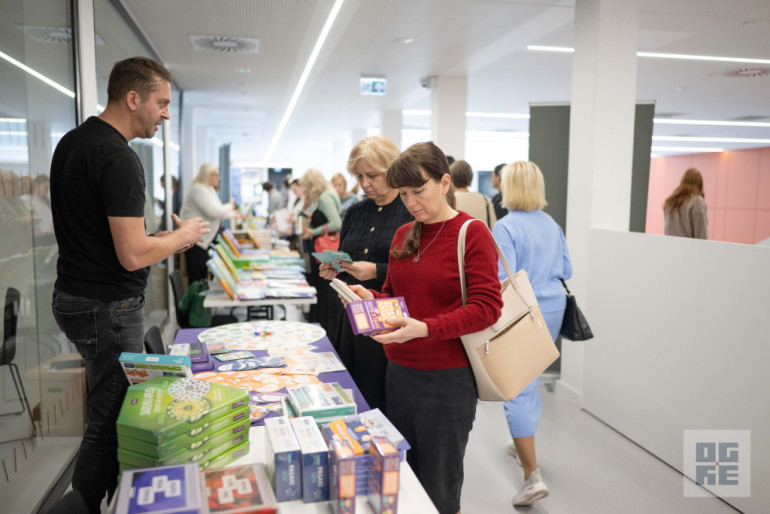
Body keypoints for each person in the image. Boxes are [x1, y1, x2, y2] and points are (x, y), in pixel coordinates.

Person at [49, 56, 210, 514]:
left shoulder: (73, 142)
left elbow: (105, 238)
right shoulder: (120, 158)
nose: (165, 113)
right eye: (161, 103)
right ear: (133, 97)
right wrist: (182, 236)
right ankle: (89, 505)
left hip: (76, 296)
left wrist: (163, 241)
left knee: (107, 405)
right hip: (107, 305)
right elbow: (132, 255)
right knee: (111, 418)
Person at [346, 142, 503, 514]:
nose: (411, 202)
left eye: (419, 191)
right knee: (403, 481)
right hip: (399, 373)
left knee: (438, 488)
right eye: (403, 194)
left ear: (445, 181)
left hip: (447, 382)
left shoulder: (471, 232)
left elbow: (487, 307)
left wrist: (425, 329)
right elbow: (392, 295)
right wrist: (365, 297)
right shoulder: (404, 235)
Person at [491, 160, 572, 507]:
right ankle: (522, 441)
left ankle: (531, 476)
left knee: (516, 389)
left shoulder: (506, 228)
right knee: (532, 378)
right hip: (553, 309)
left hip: (524, 311)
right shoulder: (552, 225)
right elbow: (567, 268)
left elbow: (502, 280)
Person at [318, 136, 411, 411]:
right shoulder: (355, 212)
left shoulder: (410, 212)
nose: (364, 183)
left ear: (392, 170)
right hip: (351, 318)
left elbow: (416, 271)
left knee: (381, 397)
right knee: (351, 393)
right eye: (358, 176)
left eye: (372, 175)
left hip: (389, 320)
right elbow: (344, 252)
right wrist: (333, 268)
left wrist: (376, 271)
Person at [180, 163, 237, 283]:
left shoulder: (209, 189)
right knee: (197, 279)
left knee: (203, 275)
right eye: (216, 175)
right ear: (207, 175)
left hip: (203, 241)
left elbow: (219, 210)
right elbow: (214, 212)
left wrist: (233, 214)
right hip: (195, 242)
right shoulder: (199, 189)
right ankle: (197, 302)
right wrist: (231, 205)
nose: (219, 178)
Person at [299, 168, 342, 330]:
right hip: (324, 250)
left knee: (323, 289)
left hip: (323, 249)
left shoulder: (324, 197)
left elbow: (336, 223)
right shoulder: (328, 194)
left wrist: (313, 231)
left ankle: (322, 327)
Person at [450, 159, 496, 228]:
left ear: (451, 177)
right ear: (470, 177)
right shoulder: (485, 199)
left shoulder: (449, 200)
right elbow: (493, 227)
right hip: (482, 237)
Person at [663, 167, 708, 239]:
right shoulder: (697, 202)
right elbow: (701, 237)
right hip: (689, 249)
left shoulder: (670, 202)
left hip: (670, 248)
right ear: (699, 184)